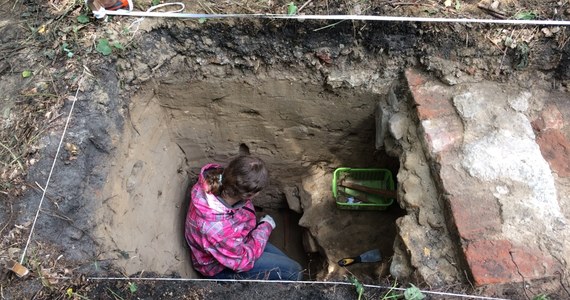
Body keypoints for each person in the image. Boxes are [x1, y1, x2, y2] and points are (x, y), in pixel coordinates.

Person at [185, 155, 303, 280]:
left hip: (235, 241)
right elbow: (242, 261)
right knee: (295, 271)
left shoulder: (214, 180)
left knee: (287, 263)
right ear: (249, 195)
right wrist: (265, 227)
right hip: (219, 267)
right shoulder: (217, 229)